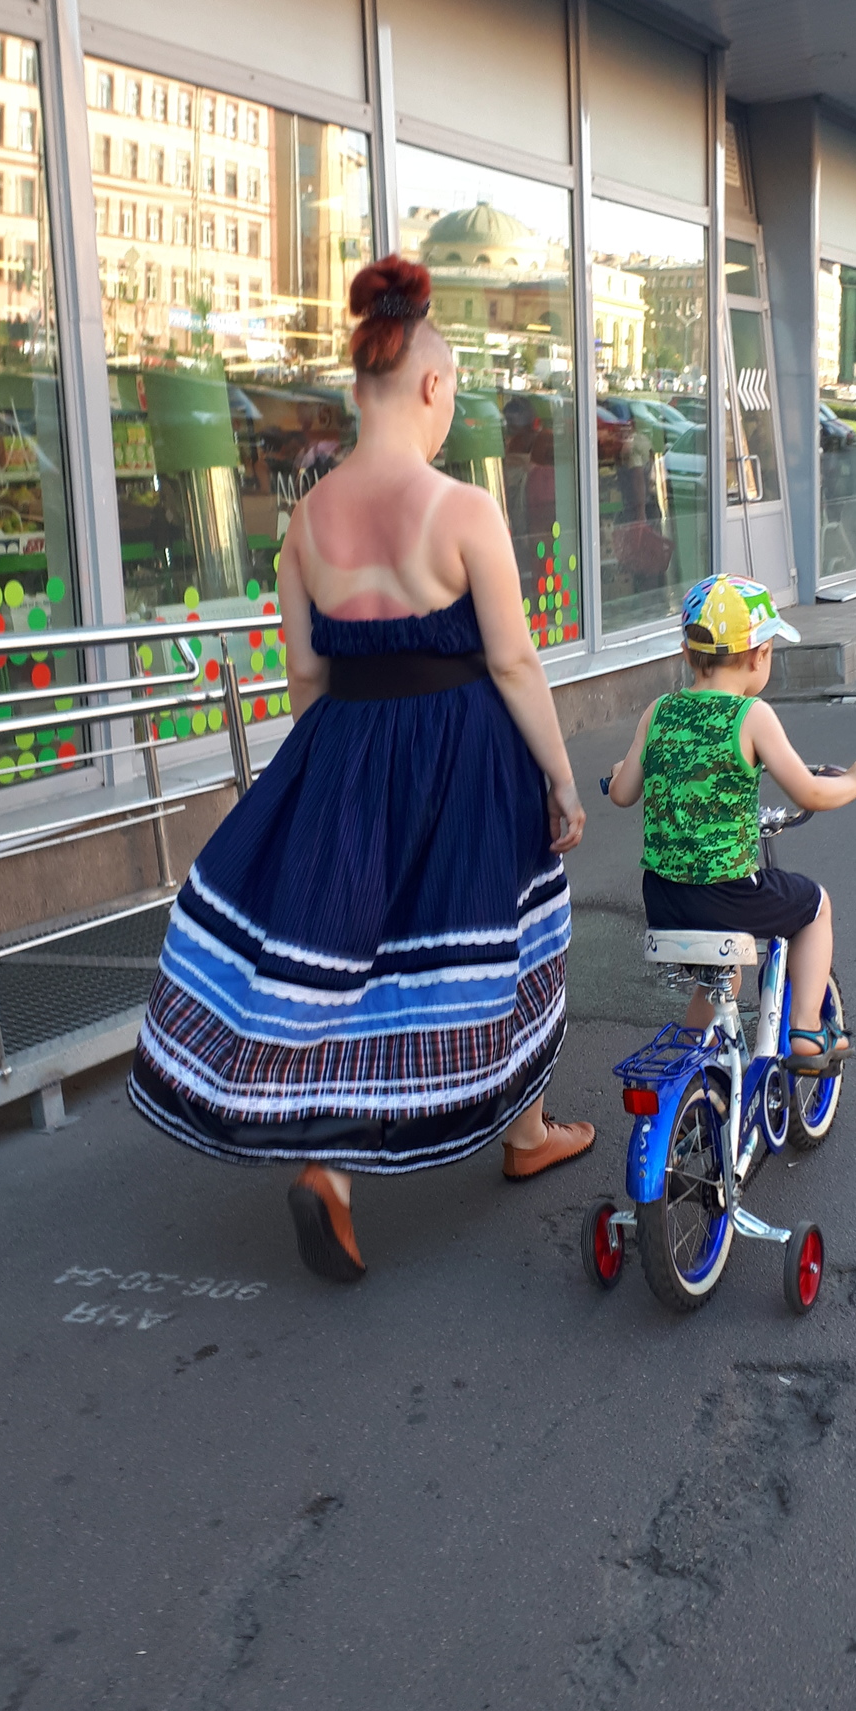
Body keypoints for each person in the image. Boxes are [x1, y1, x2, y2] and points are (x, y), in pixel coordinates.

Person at [129, 256, 593, 1285]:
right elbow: (513, 660)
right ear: (429, 388)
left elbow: (303, 671)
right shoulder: (462, 508)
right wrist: (559, 779)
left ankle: (328, 1171)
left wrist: (338, 776)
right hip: (466, 751)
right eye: (453, 397)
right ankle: (526, 1134)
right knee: (498, 934)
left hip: (348, 742)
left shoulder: (306, 519)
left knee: (349, 955)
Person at [606, 574, 856, 1073]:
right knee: (816, 906)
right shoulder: (751, 715)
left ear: (689, 654)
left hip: (663, 897)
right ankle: (804, 1031)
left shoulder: (659, 711)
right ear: (758, 655)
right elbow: (810, 791)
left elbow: (624, 793)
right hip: (725, 893)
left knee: (724, 979)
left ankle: (689, 1058)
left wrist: (615, 776)